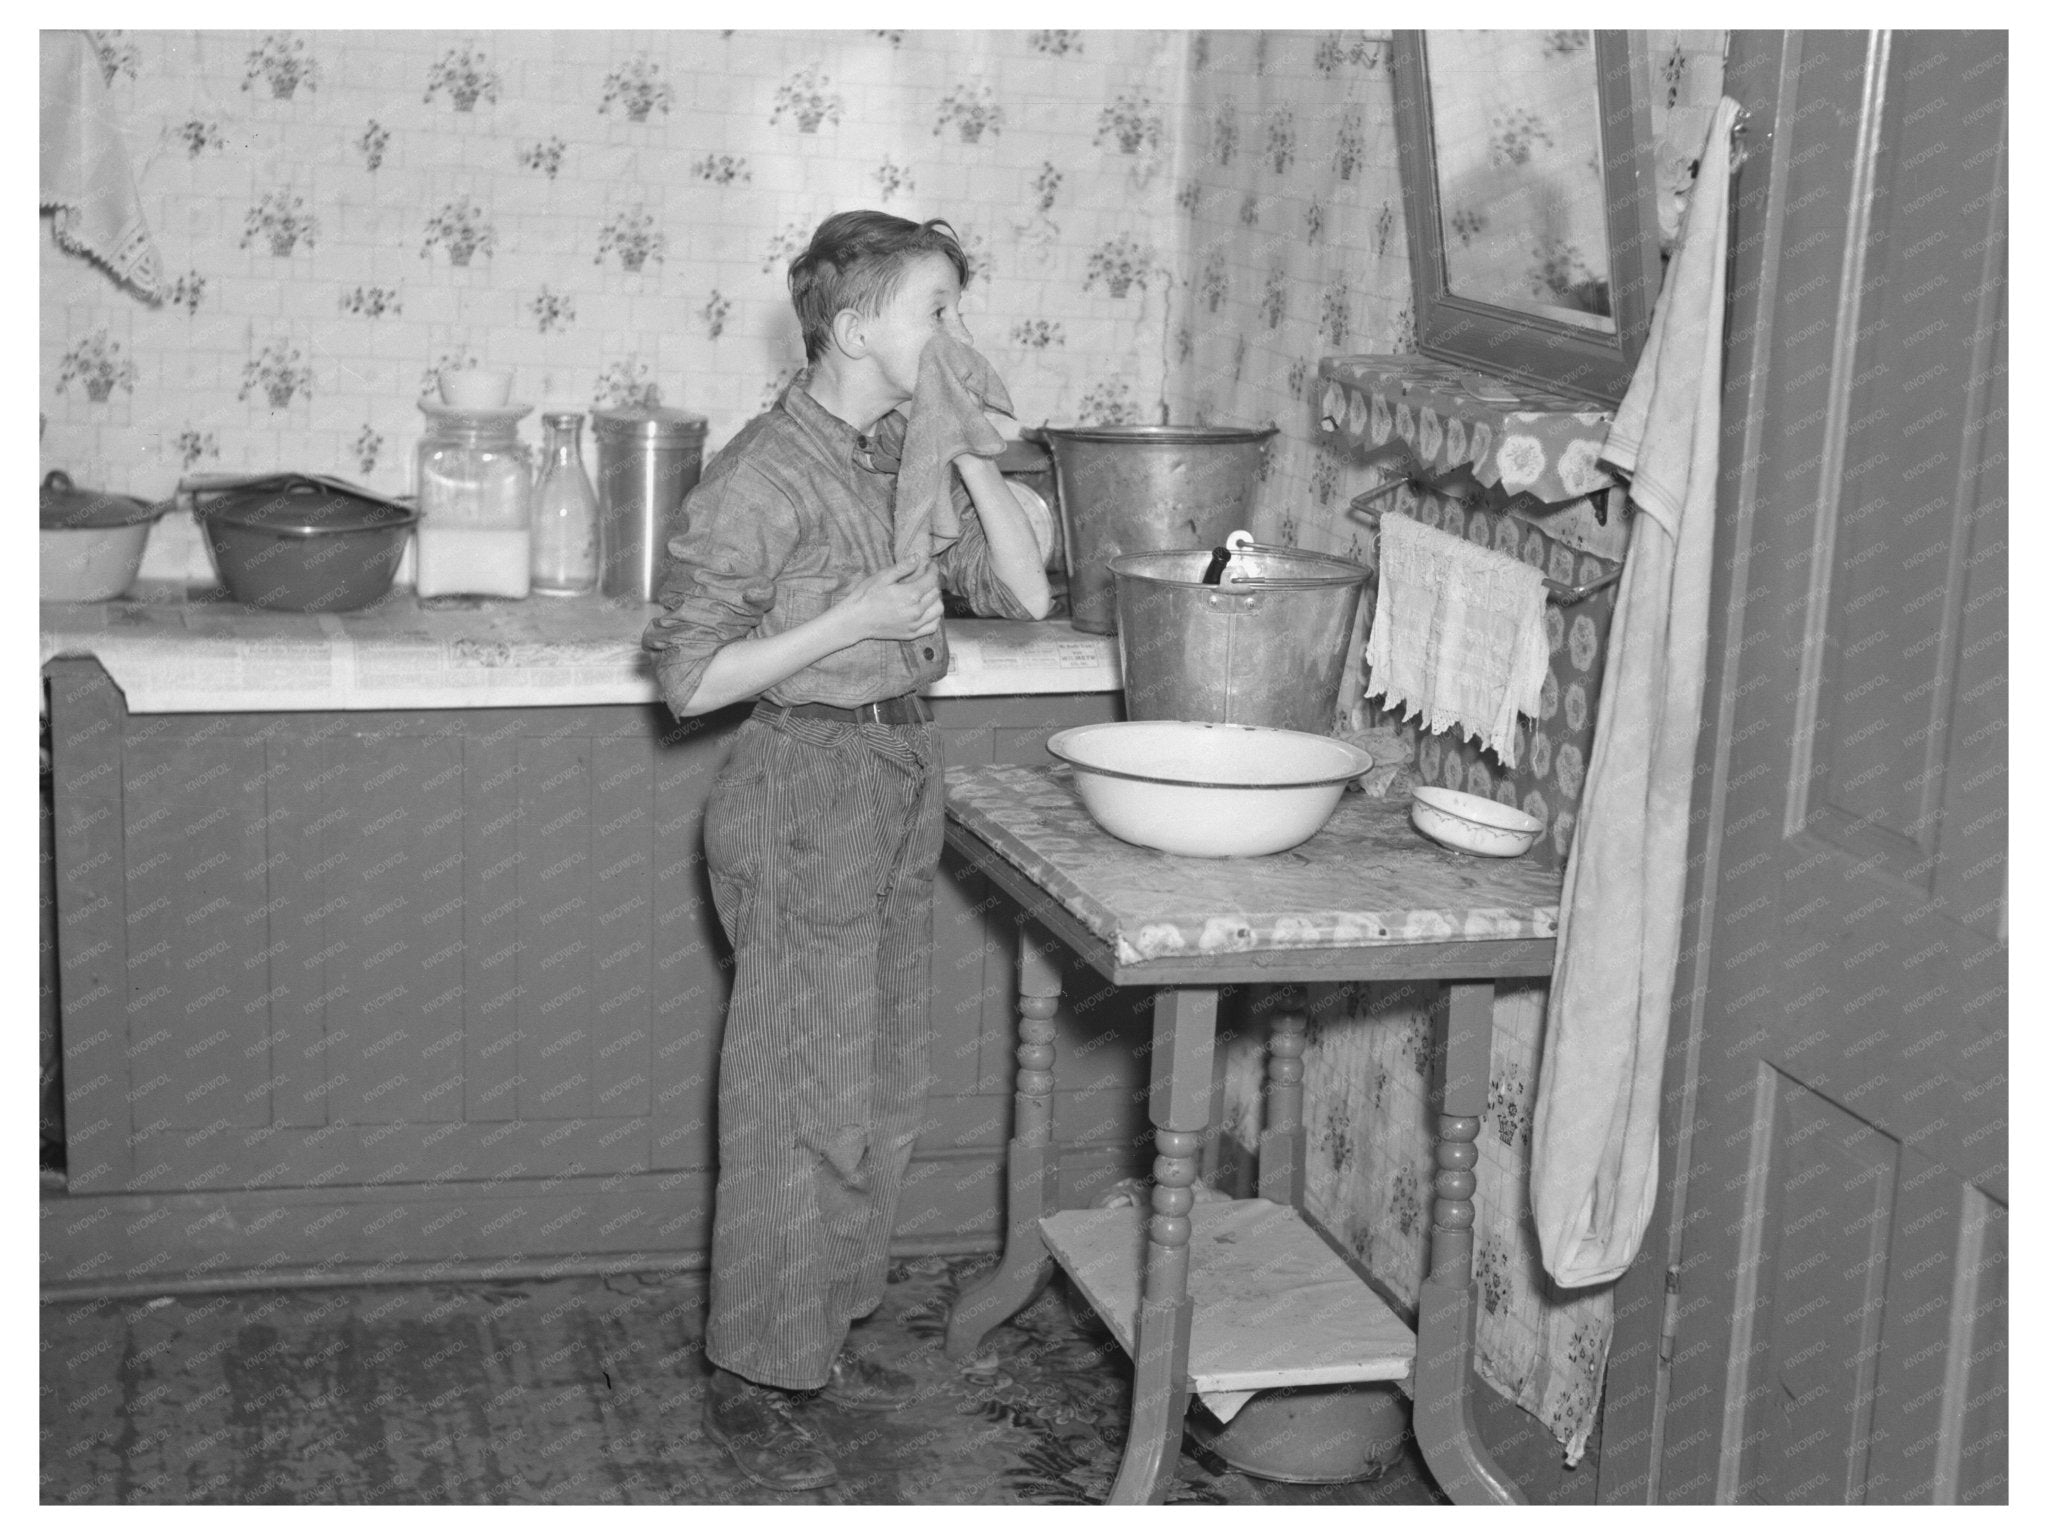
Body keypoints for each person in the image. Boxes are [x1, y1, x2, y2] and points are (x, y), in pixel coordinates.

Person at [643, 210, 1052, 1491]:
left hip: (893, 770)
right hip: (803, 780)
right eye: (938, 310)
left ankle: (815, 1330)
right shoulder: (763, 473)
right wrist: (848, 619)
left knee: (871, 1086)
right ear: (861, 322)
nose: (955, 336)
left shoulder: (901, 454)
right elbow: (687, 682)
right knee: (796, 1095)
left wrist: (976, 449)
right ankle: (762, 1369)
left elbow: (1030, 594)